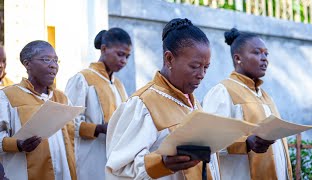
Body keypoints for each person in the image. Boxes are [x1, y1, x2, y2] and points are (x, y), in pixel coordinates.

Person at [105, 18, 220, 180]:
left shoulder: (193, 104)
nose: (201, 75)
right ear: (169, 59)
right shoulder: (143, 104)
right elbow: (119, 169)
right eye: (194, 66)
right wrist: (161, 163)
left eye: (206, 67)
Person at [203, 28, 293, 180]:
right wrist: (245, 142)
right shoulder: (223, 91)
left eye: (266, 53)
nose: (264, 58)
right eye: (257, 52)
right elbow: (207, 140)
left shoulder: (265, 96)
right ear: (238, 58)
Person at [0, 40, 76, 180]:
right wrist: (18, 144)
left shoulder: (61, 98)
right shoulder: (8, 97)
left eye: (56, 60)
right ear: (27, 64)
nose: (53, 65)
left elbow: (74, 135)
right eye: (46, 59)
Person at [65, 28, 131, 180]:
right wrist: (100, 128)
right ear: (104, 49)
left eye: (127, 56)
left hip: (115, 158)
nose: (124, 61)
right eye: (120, 54)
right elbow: (67, 123)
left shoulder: (119, 85)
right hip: (89, 158)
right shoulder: (82, 79)